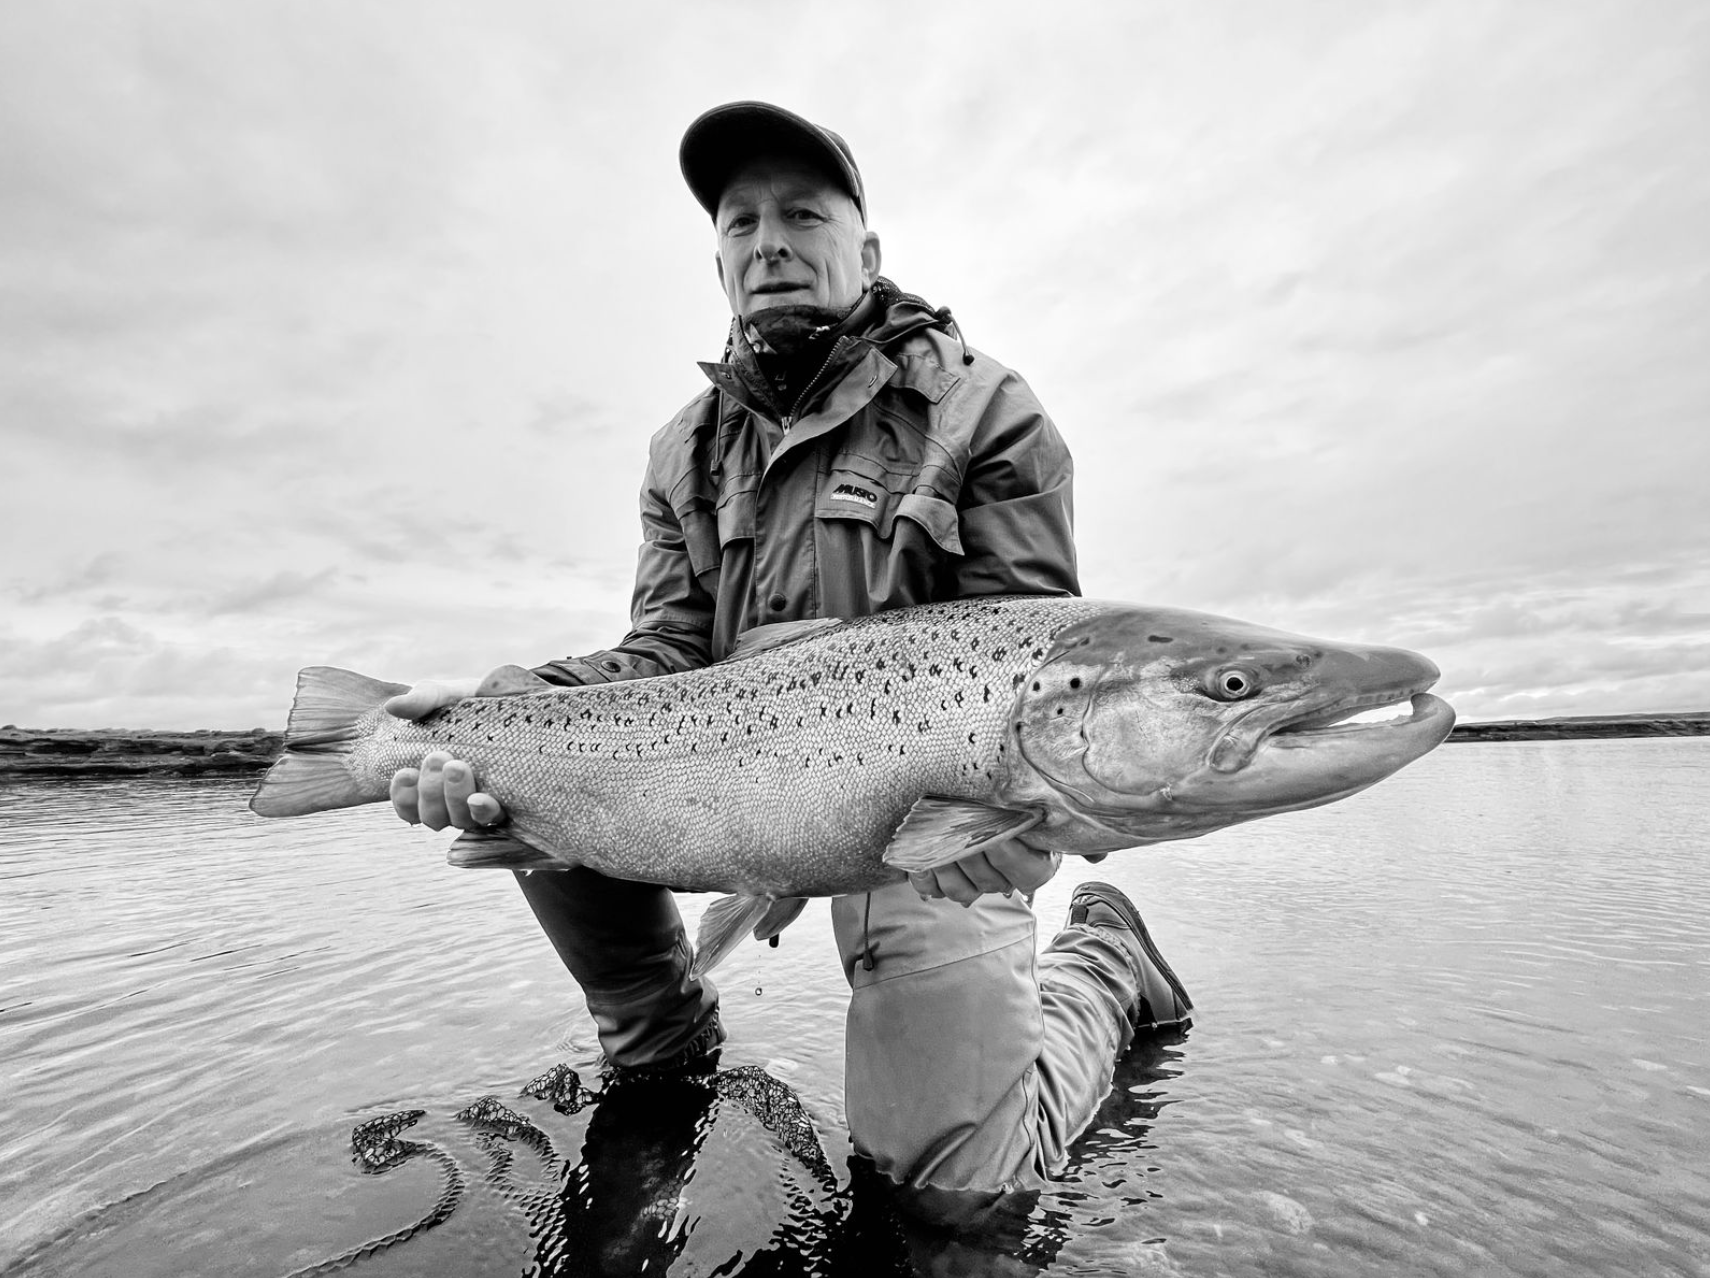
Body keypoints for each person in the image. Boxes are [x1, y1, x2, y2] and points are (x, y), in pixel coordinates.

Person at [386, 101, 1192, 1223]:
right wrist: (503, 710)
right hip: (741, 781)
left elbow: (1032, 654)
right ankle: (661, 1041)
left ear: (865, 250)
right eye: (739, 221)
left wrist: (1010, 830)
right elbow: (665, 651)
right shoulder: (684, 447)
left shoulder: (984, 408)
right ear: (718, 261)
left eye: (801, 212)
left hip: (924, 814)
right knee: (518, 782)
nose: (766, 239)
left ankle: (1104, 969)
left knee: (954, 1199)